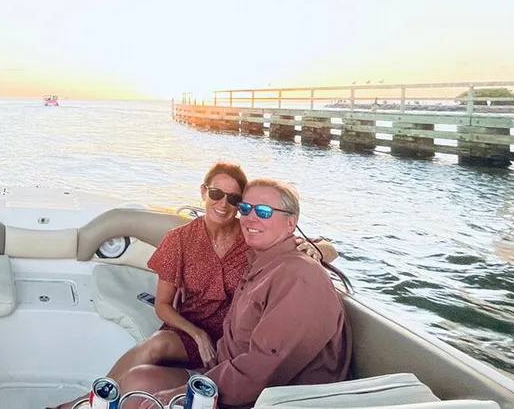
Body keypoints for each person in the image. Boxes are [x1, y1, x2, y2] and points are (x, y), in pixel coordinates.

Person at [50, 164, 338, 409]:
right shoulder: (187, 239)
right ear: (203, 193)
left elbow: (311, 247)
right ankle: (90, 401)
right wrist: (197, 333)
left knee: (150, 380)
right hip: (204, 335)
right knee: (150, 356)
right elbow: (163, 304)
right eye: (216, 194)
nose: (225, 204)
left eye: (236, 200)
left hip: (236, 359)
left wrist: (319, 250)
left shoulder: (258, 244)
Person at [124, 179, 352, 409]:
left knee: (149, 398)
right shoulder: (261, 260)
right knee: (138, 380)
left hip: (267, 397)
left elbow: (265, 367)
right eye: (245, 208)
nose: (250, 218)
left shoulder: (298, 276)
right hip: (225, 373)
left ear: (290, 223)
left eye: (263, 211)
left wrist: (188, 393)